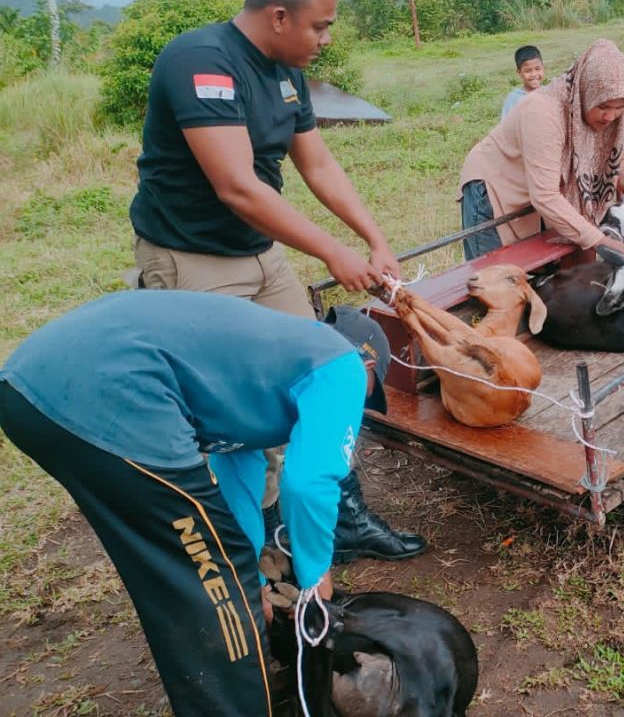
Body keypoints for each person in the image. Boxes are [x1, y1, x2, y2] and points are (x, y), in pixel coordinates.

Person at [127, 0, 422, 563]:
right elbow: (236, 186)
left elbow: (316, 163)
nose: (324, 39)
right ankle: (256, 548)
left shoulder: (286, 75)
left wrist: (374, 238)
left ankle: (342, 520)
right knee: (233, 413)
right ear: (280, 16)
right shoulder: (200, 63)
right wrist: (333, 252)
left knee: (324, 375)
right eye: (320, 26)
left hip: (261, 256)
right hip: (193, 262)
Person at [0, 290, 394, 715]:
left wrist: (253, 579)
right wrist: (315, 576)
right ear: (369, 366)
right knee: (216, 587)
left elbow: (237, 476)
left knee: (183, 570)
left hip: (30, 391)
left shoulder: (265, 368)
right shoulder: (343, 367)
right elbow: (309, 482)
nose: (360, 409)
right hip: (110, 395)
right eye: (369, 397)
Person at [459, 38, 624, 260]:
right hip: (494, 188)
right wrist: (598, 240)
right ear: (585, 93)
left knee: (542, 272)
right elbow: (545, 195)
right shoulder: (543, 113)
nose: (610, 117)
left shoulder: (615, 117)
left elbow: (622, 151)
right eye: (603, 107)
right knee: (497, 278)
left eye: (619, 108)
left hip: (535, 188)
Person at [501, 44, 544, 118]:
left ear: (543, 68)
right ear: (519, 73)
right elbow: (506, 125)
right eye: (528, 71)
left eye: (538, 69)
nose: (534, 74)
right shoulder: (514, 99)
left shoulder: (550, 93)